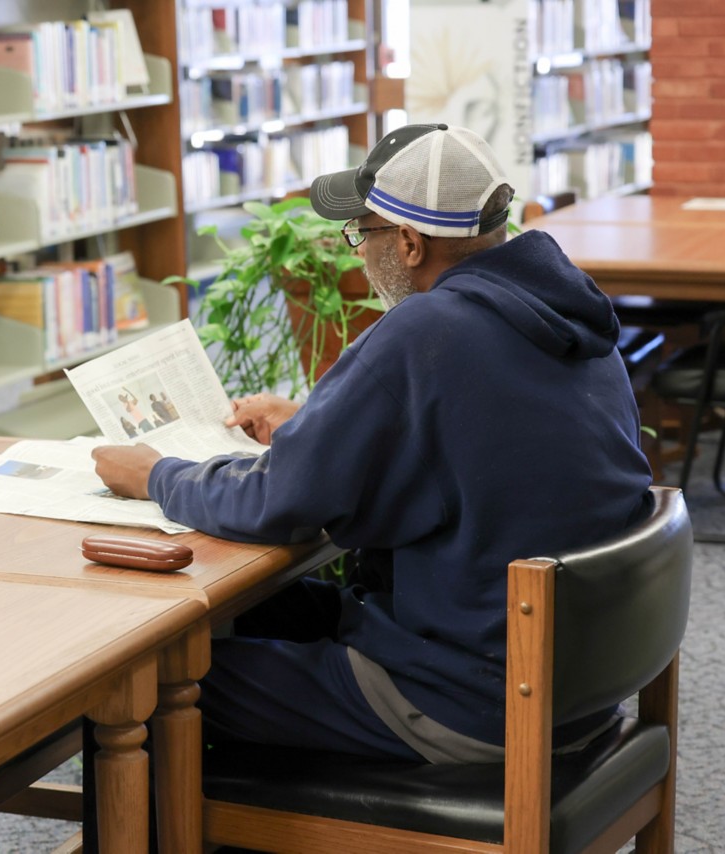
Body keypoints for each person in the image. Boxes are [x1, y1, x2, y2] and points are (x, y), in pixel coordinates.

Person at [91, 123, 654, 764]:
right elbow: (484, 447)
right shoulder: (568, 315)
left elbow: (279, 503)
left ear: (410, 243)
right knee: (247, 616)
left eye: (364, 231)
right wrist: (316, 425)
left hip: (470, 700)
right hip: (573, 683)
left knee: (135, 687)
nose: (358, 252)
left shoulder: (426, 329)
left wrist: (155, 474)